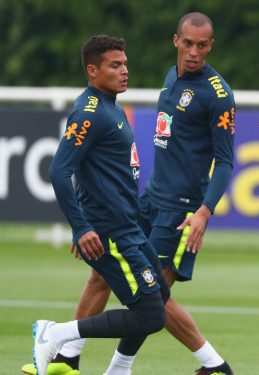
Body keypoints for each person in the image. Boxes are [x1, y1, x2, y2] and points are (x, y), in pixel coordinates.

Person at [23, 12, 235, 375]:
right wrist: (84, 223)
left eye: (202, 46)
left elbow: (226, 162)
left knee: (153, 300)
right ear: (176, 41)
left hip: (179, 209)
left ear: (211, 46)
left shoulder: (217, 95)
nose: (194, 52)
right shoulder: (169, 80)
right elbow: (68, 170)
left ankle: (139, 366)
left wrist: (204, 211)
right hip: (147, 201)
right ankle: (67, 358)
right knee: (104, 277)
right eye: (188, 44)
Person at [28, 34, 171, 375]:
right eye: (115, 65)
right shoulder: (89, 112)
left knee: (160, 296)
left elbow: (95, 174)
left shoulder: (111, 106)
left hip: (128, 225)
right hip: (112, 230)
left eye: (125, 64)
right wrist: (82, 227)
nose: (125, 71)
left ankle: (117, 368)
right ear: (93, 71)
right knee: (151, 315)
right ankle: (56, 334)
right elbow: (60, 171)